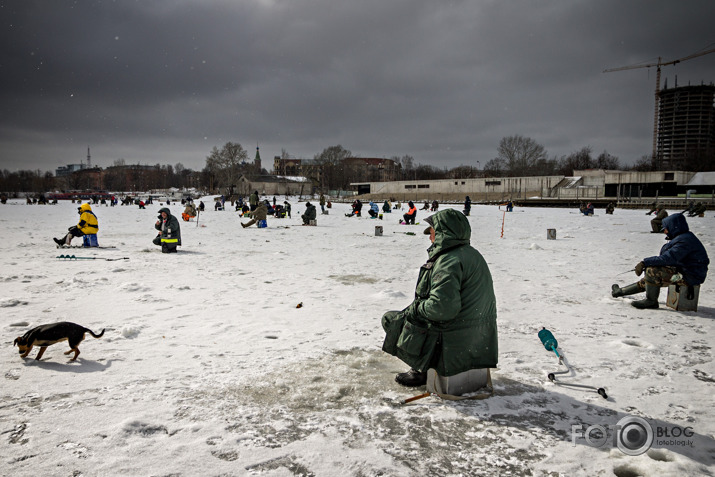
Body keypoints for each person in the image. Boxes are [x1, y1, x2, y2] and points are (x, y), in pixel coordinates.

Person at [381, 209, 498, 386]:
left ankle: (421, 369)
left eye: (432, 233)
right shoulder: (472, 254)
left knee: (391, 320)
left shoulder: (448, 261)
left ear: (444, 233)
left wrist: (416, 309)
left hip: (452, 339)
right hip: (477, 337)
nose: (430, 238)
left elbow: (441, 309)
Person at [612, 213, 709, 309]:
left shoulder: (684, 241)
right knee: (652, 276)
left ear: (674, 227)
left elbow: (667, 258)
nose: (664, 231)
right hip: (685, 272)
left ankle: (651, 301)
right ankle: (621, 291)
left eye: (666, 228)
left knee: (652, 271)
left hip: (689, 277)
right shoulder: (683, 238)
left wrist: (645, 262)